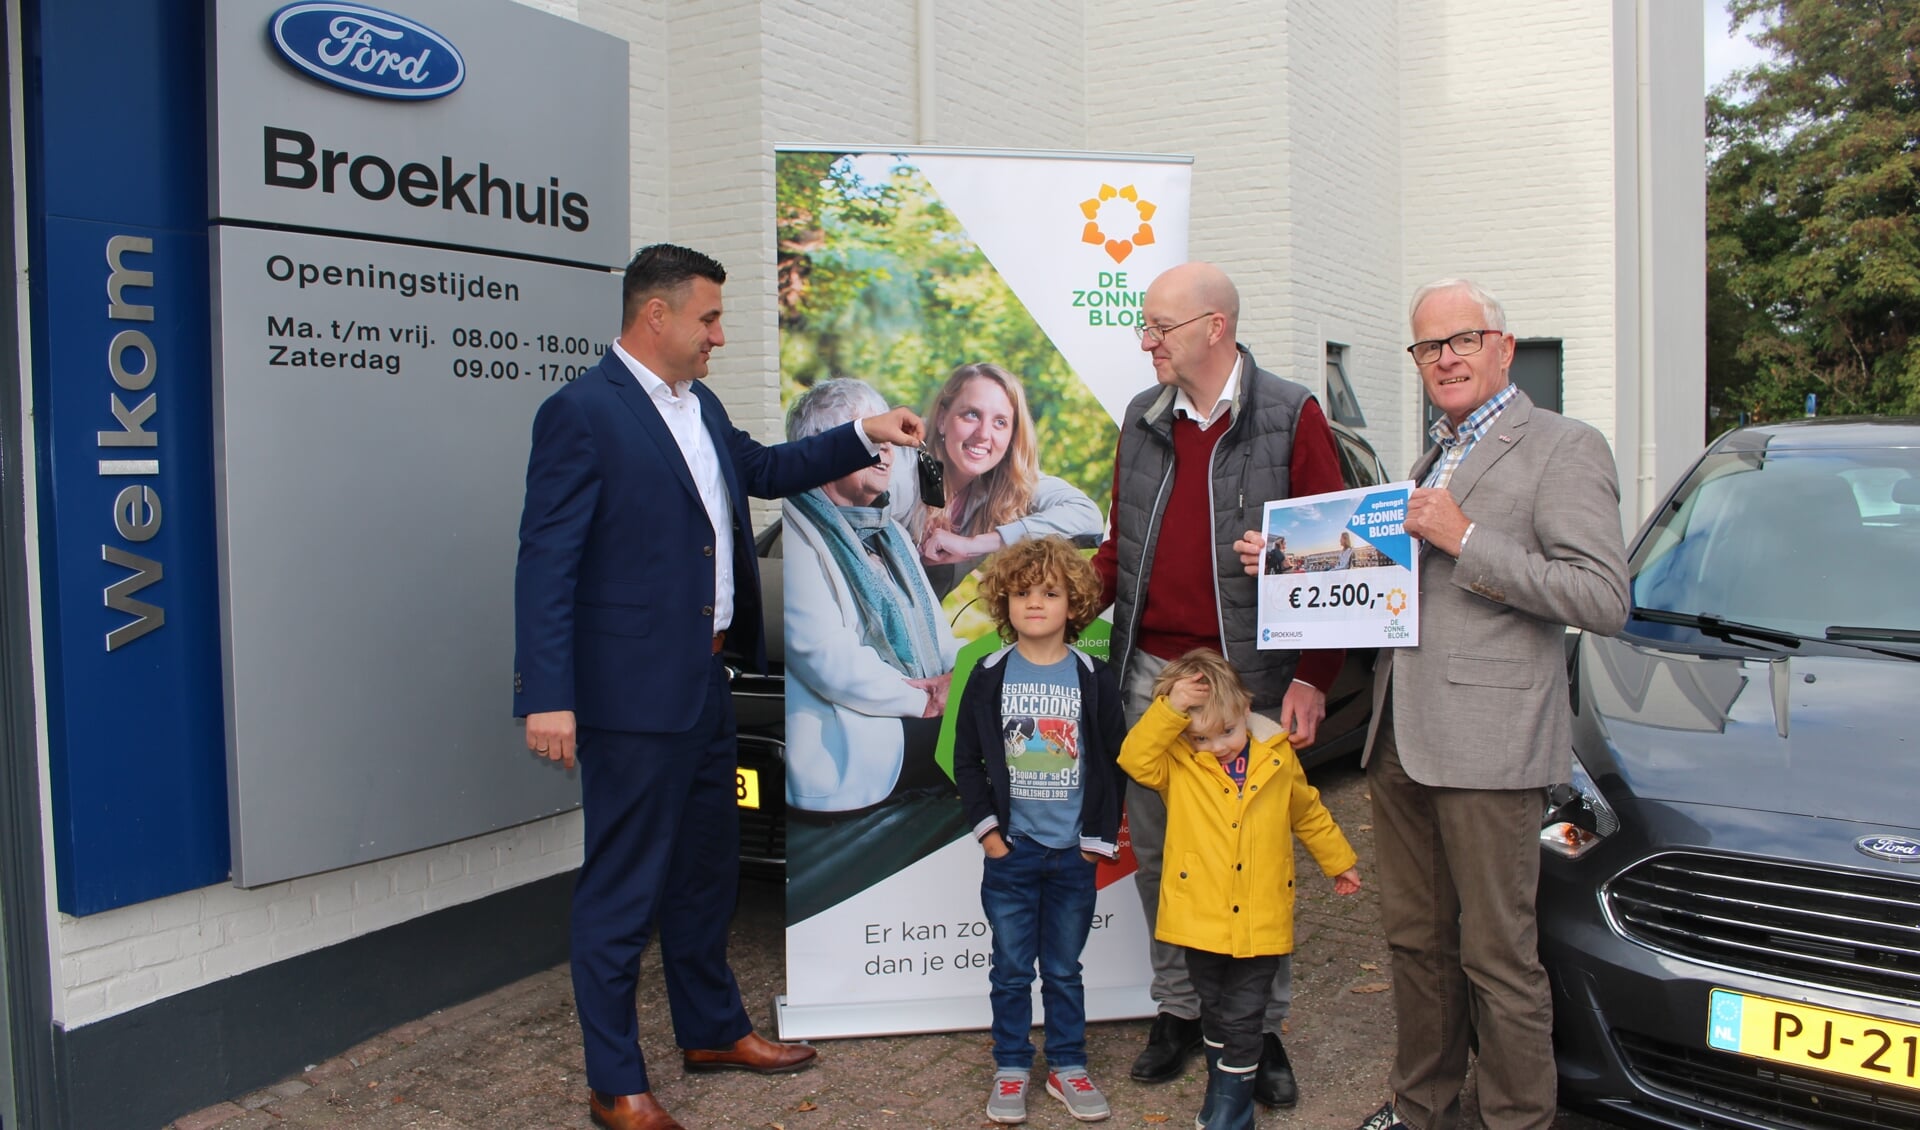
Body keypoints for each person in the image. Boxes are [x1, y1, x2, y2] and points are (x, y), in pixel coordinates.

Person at [513, 244, 925, 1130]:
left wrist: (866, 434)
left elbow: (766, 471)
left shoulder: (697, 404)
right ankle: (614, 1081)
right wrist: (547, 694)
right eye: (708, 318)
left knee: (708, 869)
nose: (719, 336)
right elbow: (545, 562)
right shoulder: (580, 413)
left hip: (705, 677)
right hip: (626, 695)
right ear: (653, 315)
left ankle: (710, 1030)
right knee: (623, 888)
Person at [1339, 279, 1627, 1130]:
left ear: (1504, 346)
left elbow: (1602, 597)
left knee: (1499, 958)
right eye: (1429, 347)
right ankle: (1421, 1106)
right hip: (1401, 737)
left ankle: (1515, 1119)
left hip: (1491, 744)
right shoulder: (1433, 454)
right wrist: (1284, 561)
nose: (1446, 358)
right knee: (1416, 947)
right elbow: (1399, 583)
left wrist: (1466, 538)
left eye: (1463, 340)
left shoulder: (1565, 446)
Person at [1090, 261, 1347, 1106]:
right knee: (1164, 858)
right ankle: (1178, 1011)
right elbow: (1121, 545)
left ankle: (1256, 1030)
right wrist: (1041, 601)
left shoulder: (1291, 413)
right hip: (1157, 678)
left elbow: (1343, 554)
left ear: (1214, 326)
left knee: (1256, 862)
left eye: (1159, 327)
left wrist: (1314, 676)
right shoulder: (1143, 414)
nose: (1146, 340)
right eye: (1145, 326)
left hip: (1252, 681)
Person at [1119, 650, 1361, 1130]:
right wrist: (1170, 709)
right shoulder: (1179, 764)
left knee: (1248, 1015)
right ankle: (1219, 1091)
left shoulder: (1276, 754)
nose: (1217, 747)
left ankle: (1232, 1112)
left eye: (1227, 732)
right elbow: (1134, 758)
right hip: (1199, 916)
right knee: (1213, 1008)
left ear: (1245, 710)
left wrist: (1341, 862)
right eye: (1200, 738)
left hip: (1259, 912)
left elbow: (1307, 811)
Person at [951, 535, 1127, 1125]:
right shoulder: (989, 673)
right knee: (1009, 967)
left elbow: (1112, 762)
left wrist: (1097, 843)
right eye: (1022, 593)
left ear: (1073, 604)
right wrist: (990, 837)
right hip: (1014, 853)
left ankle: (1068, 1065)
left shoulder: (1095, 678)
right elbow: (966, 758)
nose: (1035, 604)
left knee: (1062, 968)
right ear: (1005, 602)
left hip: (1073, 854)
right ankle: (1010, 1067)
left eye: (1049, 593)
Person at [781, 378, 966, 921]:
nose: (889, 452)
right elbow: (827, 660)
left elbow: (940, 634)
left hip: (908, 717)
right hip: (858, 738)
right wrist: (930, 701)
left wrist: (957, 678)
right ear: (824, 449)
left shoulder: (891, 534)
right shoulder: (797, 531)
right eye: (871, 439)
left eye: (890, 439)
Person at [894, 362, 1104, 598]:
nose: (983, 434)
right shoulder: (904, 459)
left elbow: (1087, 516)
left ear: (1012, 435)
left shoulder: (1006, 485)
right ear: (943, 418)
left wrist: (975, 544)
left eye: (1000, 422)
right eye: (972, 414)